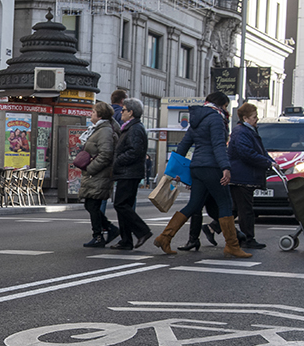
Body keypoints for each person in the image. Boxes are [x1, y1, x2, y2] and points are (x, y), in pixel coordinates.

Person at [154, 91, 249, 258]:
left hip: (197, 167)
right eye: (226, 106)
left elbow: (184, 145)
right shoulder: (216, 118)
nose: (226, 110)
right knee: (225, 204)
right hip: (212, 167)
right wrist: (225, 167)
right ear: (221, 105)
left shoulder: (197, 119)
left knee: (194, 205)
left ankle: (165, 237)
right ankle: (232, 246)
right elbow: (218, 145)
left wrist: (174, 170)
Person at [228, 102, 277, 250]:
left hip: (242, 175)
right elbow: (247, 153)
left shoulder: (248, 131)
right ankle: (248, 239)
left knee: (237, 208)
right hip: (242, 177)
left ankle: (214, 228)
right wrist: (267, 163)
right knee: (246, 210)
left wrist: (271, 162)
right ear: (245, 118)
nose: (257, 119)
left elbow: (260, 151)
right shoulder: (241, 132)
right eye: (254, 117)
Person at [110, 95, 150, 250]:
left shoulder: (135, 128)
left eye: (124, 110)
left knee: (120, 204)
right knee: (123, 205)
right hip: (128, 172)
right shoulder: (130, 127)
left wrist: (118, 160)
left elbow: (135, 151)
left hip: (129, 172)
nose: (121, 113)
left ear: (131, 112)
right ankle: (126, 240)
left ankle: (142, 231)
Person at [77, 100, 119, 247]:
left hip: (99, 174)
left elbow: (106, 154)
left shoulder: (104, 131)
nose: (91, 114)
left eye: (94, 112)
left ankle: (99, 236)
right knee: (90, 204)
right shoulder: (98, 129)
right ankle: (109, 229)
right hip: (96, 174)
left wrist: (91, 168)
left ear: (100, 116)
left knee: (92, 205)